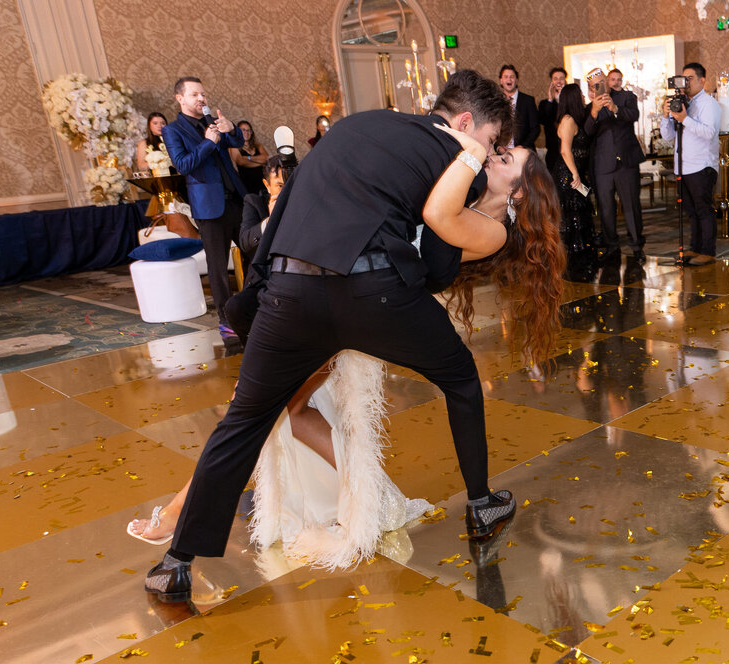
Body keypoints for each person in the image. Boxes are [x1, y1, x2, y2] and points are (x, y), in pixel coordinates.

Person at [142, 70, 564, 602]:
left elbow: (283, 216)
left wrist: (263, 295)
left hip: (290, 292)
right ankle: (482, 504)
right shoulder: (460, 163)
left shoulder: (356, 126)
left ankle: (175, 563)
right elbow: (435, 253)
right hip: (375, 294)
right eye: (489, 143)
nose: (487, 155)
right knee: (459, 377)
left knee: (245, 420)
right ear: (463, 125)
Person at [161, 77, 247, 342]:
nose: (202, 99)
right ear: (180, 98)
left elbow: (237, 142)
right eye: (195, 94)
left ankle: (257, 306)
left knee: (256, 252)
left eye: (203, 94)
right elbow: (184, 164)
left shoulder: (212, 122)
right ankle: (227, 319)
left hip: (236, 200)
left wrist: (230, 128)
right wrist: (209, 142)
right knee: (218, 267)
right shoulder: (173, 131)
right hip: (209, 207)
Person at [659, 62, 721, 266]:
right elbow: (668, 136)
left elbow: (708, 133)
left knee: (704, 210)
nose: (685, 83)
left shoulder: (708, 104)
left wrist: (684, 118)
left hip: (701, 165)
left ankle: (708, 251)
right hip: (683, 166)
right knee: (691, 212)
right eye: (683, 79)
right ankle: (695, 249)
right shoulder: (684, 103)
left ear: (702, 80)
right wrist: (667, 115)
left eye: (690, 79)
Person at [585, 68, 646, 265]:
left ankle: (637, 247)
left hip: (626, 162)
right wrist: (594, 111)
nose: (601, 86)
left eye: (602, 82)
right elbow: (587, 132)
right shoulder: (590, 106)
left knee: (631, 207)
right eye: (596, 85)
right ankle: (612, 247)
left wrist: (615, 109)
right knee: (606, 208)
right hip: (603, 164)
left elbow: (633, 115)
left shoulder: (627, 97)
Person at [552, 84, 597, 279]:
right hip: (568, 175)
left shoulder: (572, 119)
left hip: (573, 172)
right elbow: (565, 150)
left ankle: (579, 257)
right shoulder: (568, 120)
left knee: (580, 212)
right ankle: (572, 259)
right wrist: (575, 175)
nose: (583, 98)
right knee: (573, 214)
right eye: (579, 95)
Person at [239, 155, 291, 267]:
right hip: (266, 273)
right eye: (280, 186)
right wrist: (270, 221)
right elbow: (245, 244)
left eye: (290, 185)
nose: (287, 192)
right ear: (267, 185)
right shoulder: (254, 202)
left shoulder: (306, 201)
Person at [499, 65, 539, 149]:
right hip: (501, 153)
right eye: (506, 77)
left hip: (523, 152)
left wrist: (522, 147)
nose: (509, 79)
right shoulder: (495, 102)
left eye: (512, 77)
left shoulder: (528, 101)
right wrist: (498, 147)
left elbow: (535, 129)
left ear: (516, 81)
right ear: (501, 81)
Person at [538, 67, 568, 169]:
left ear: (566, 81)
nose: (558, 81)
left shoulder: (571, 101)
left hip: (569, 149)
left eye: (561, 78)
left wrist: (560, 100)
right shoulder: (545, 103)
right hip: (553, 150)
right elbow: (543, 120)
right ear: (552, 81)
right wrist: (550, 100)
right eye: (555, 78)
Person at [230, 120, 269, 190]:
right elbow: (241, 162)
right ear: (238, 132)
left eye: (248, 130)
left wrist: (248, 158)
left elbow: (266, 158)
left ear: (251, 133)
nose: (246, 133)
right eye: (243, 130)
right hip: (246, 184)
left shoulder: (258, 146)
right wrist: (260, 162)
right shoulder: (234, 147)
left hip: (262, 183)